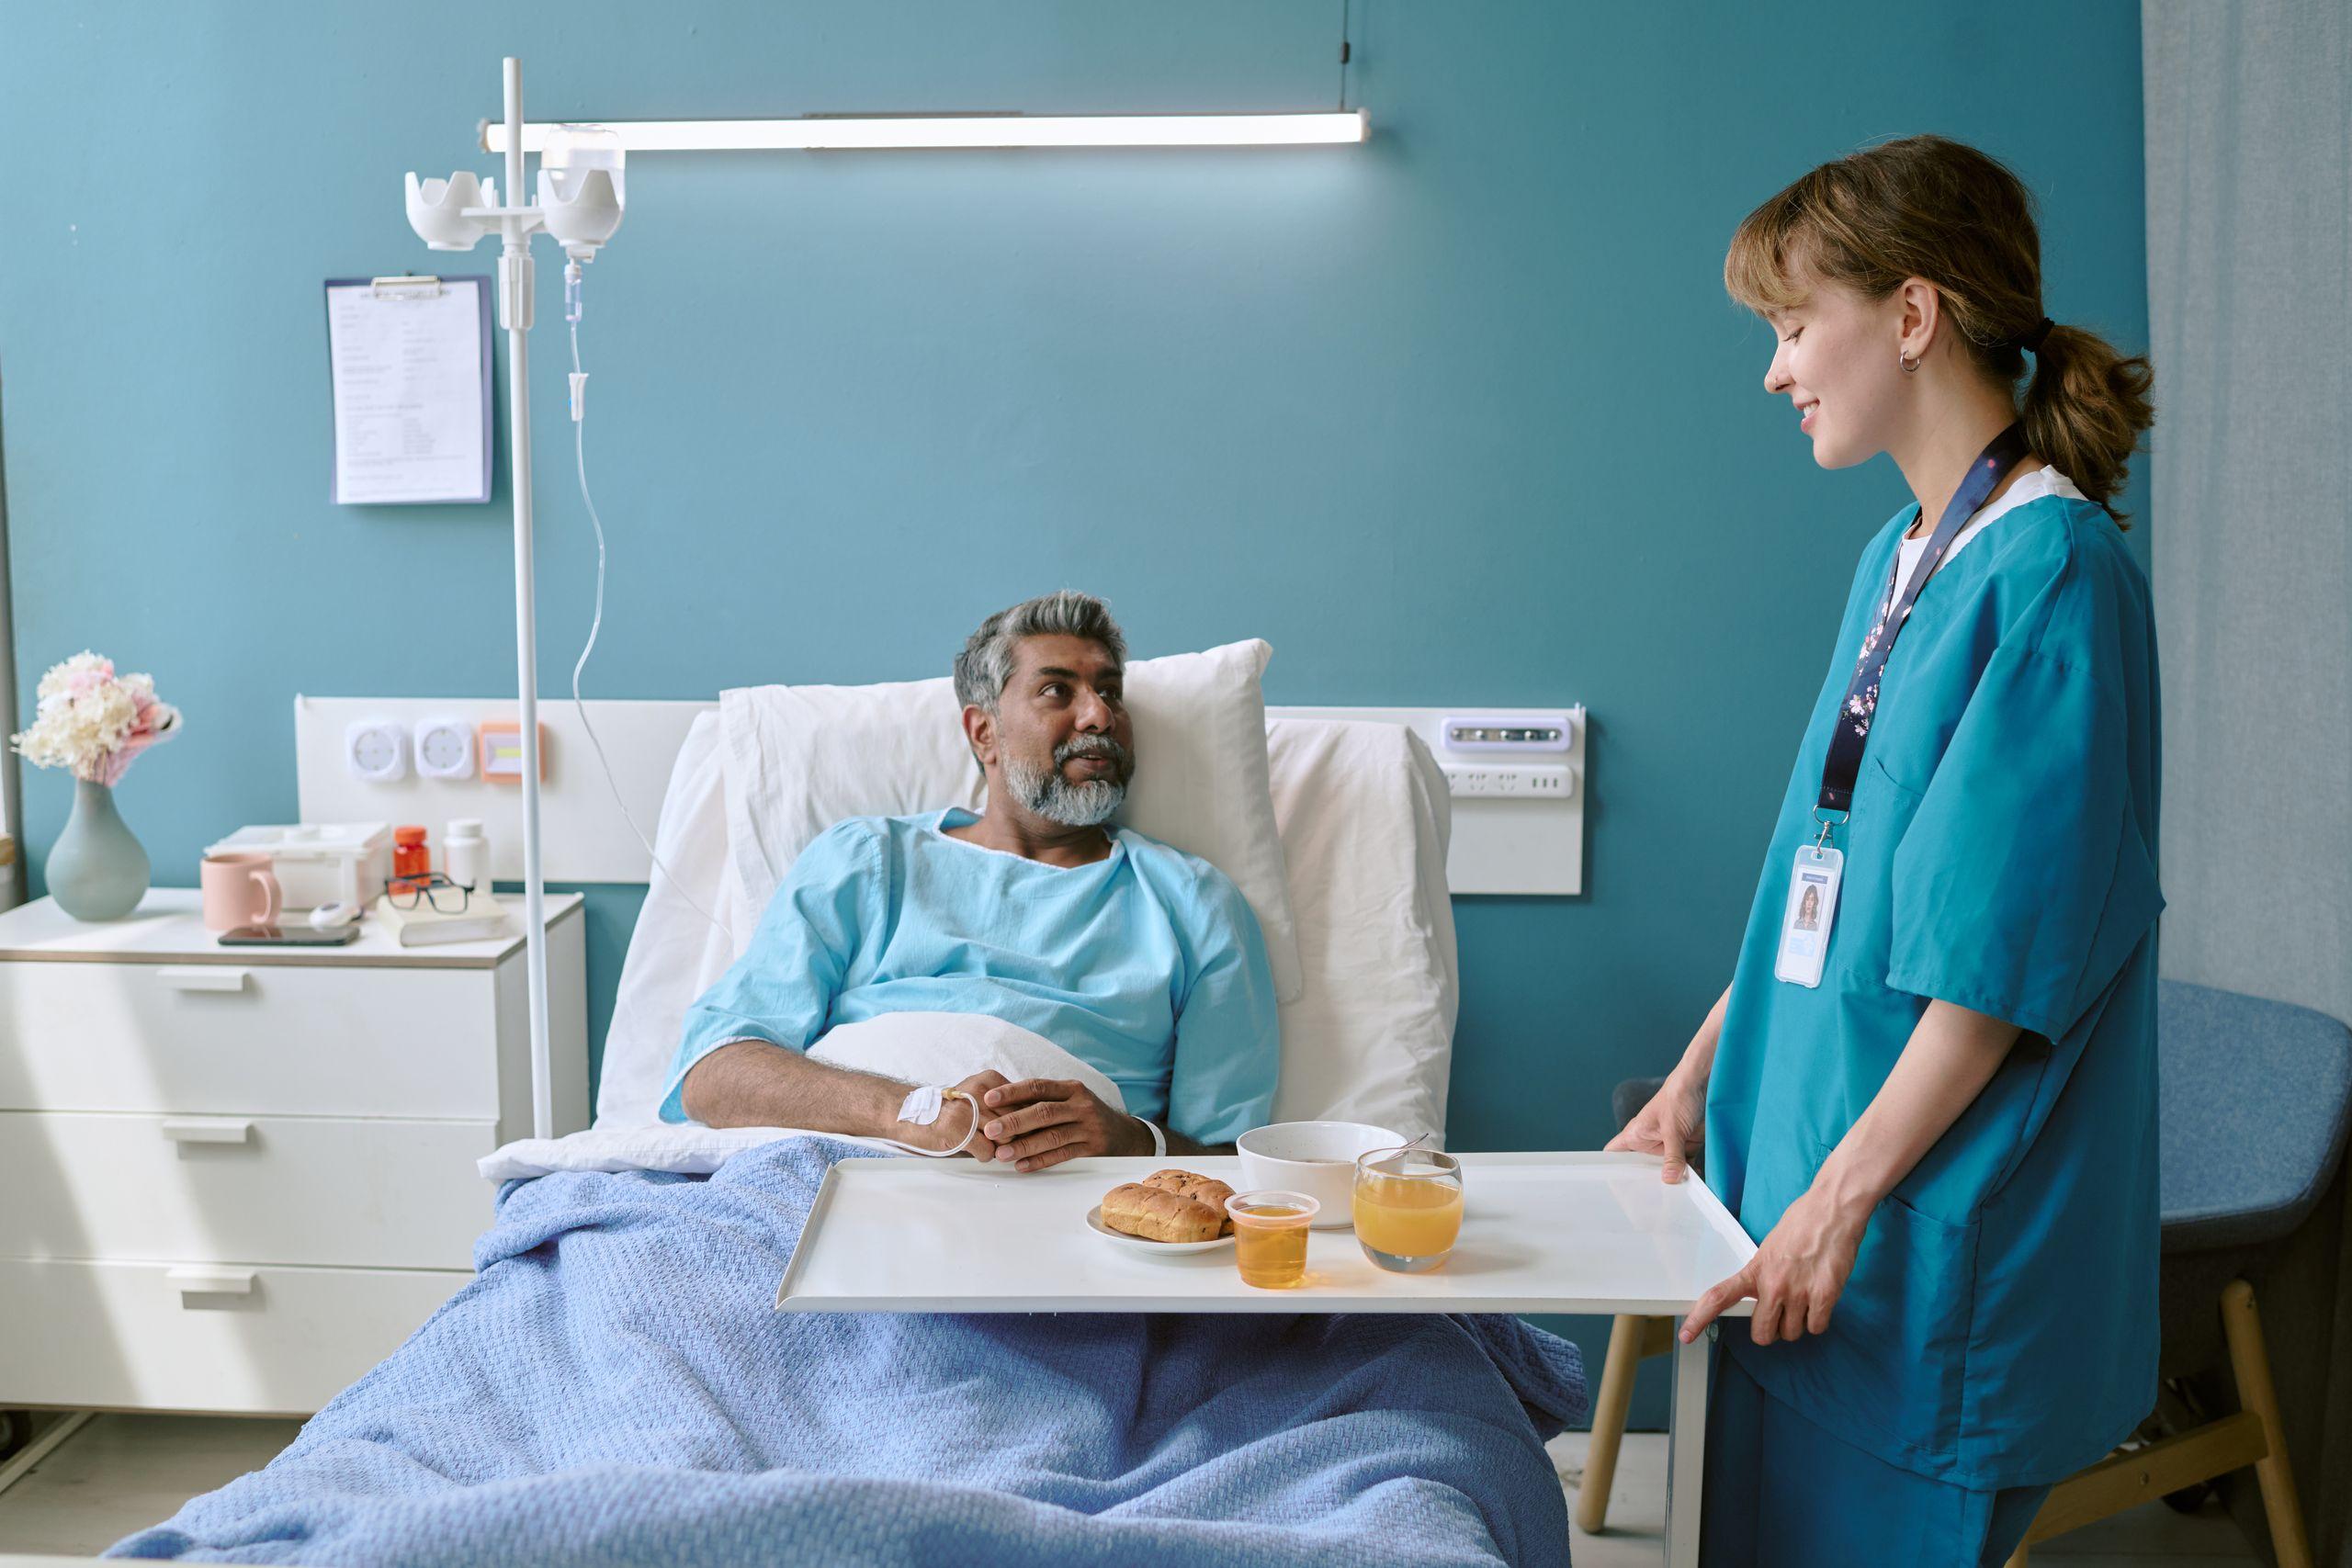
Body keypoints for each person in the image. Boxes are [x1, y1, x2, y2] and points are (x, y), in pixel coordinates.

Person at [1608, 135, 2161, 1565]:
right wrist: (1693, 1082)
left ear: (1911, 317)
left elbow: (1988, 974)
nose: (1779, 371)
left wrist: (1839, 1200)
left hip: (1908, 1238)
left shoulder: (2052, 574)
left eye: (1796, 327)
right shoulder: (1899, 558)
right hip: (1790, 1200)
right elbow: (1822, 870)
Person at [662, 590, 1280, 1169]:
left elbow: (1237, 1165)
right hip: (837, 1175)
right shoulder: (868, 861)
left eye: (1110, 691)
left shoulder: (1194, 905)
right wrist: (914, 1112)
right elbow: (715, 1072)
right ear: (984, 732)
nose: (1099, 715)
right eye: (1057, 691)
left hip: (1061, 1208)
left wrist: (1127, 1139)